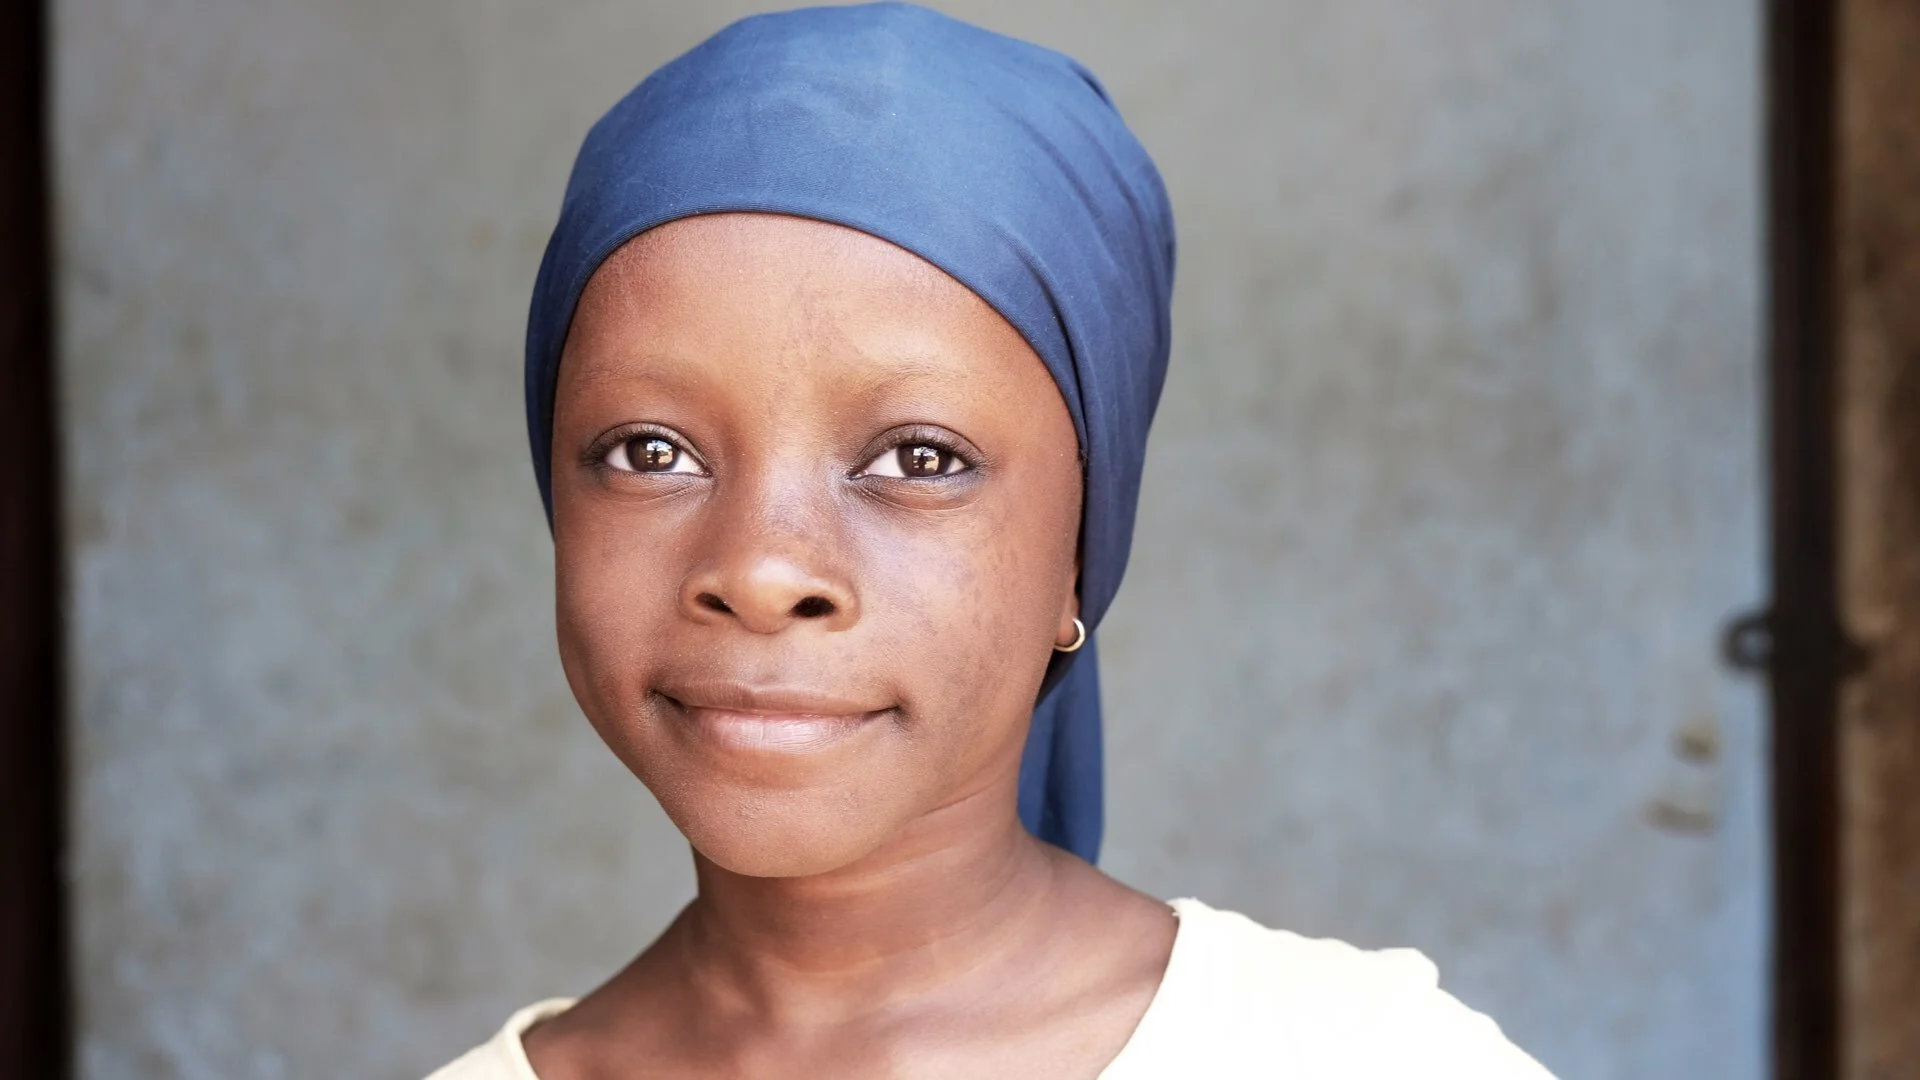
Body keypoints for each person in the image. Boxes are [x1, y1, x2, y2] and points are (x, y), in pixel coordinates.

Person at [428, 4, 1553, 1077]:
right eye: (649, 450)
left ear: (1080, 548)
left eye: (920, 459)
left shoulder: (1367, 1061)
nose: (765, 571)